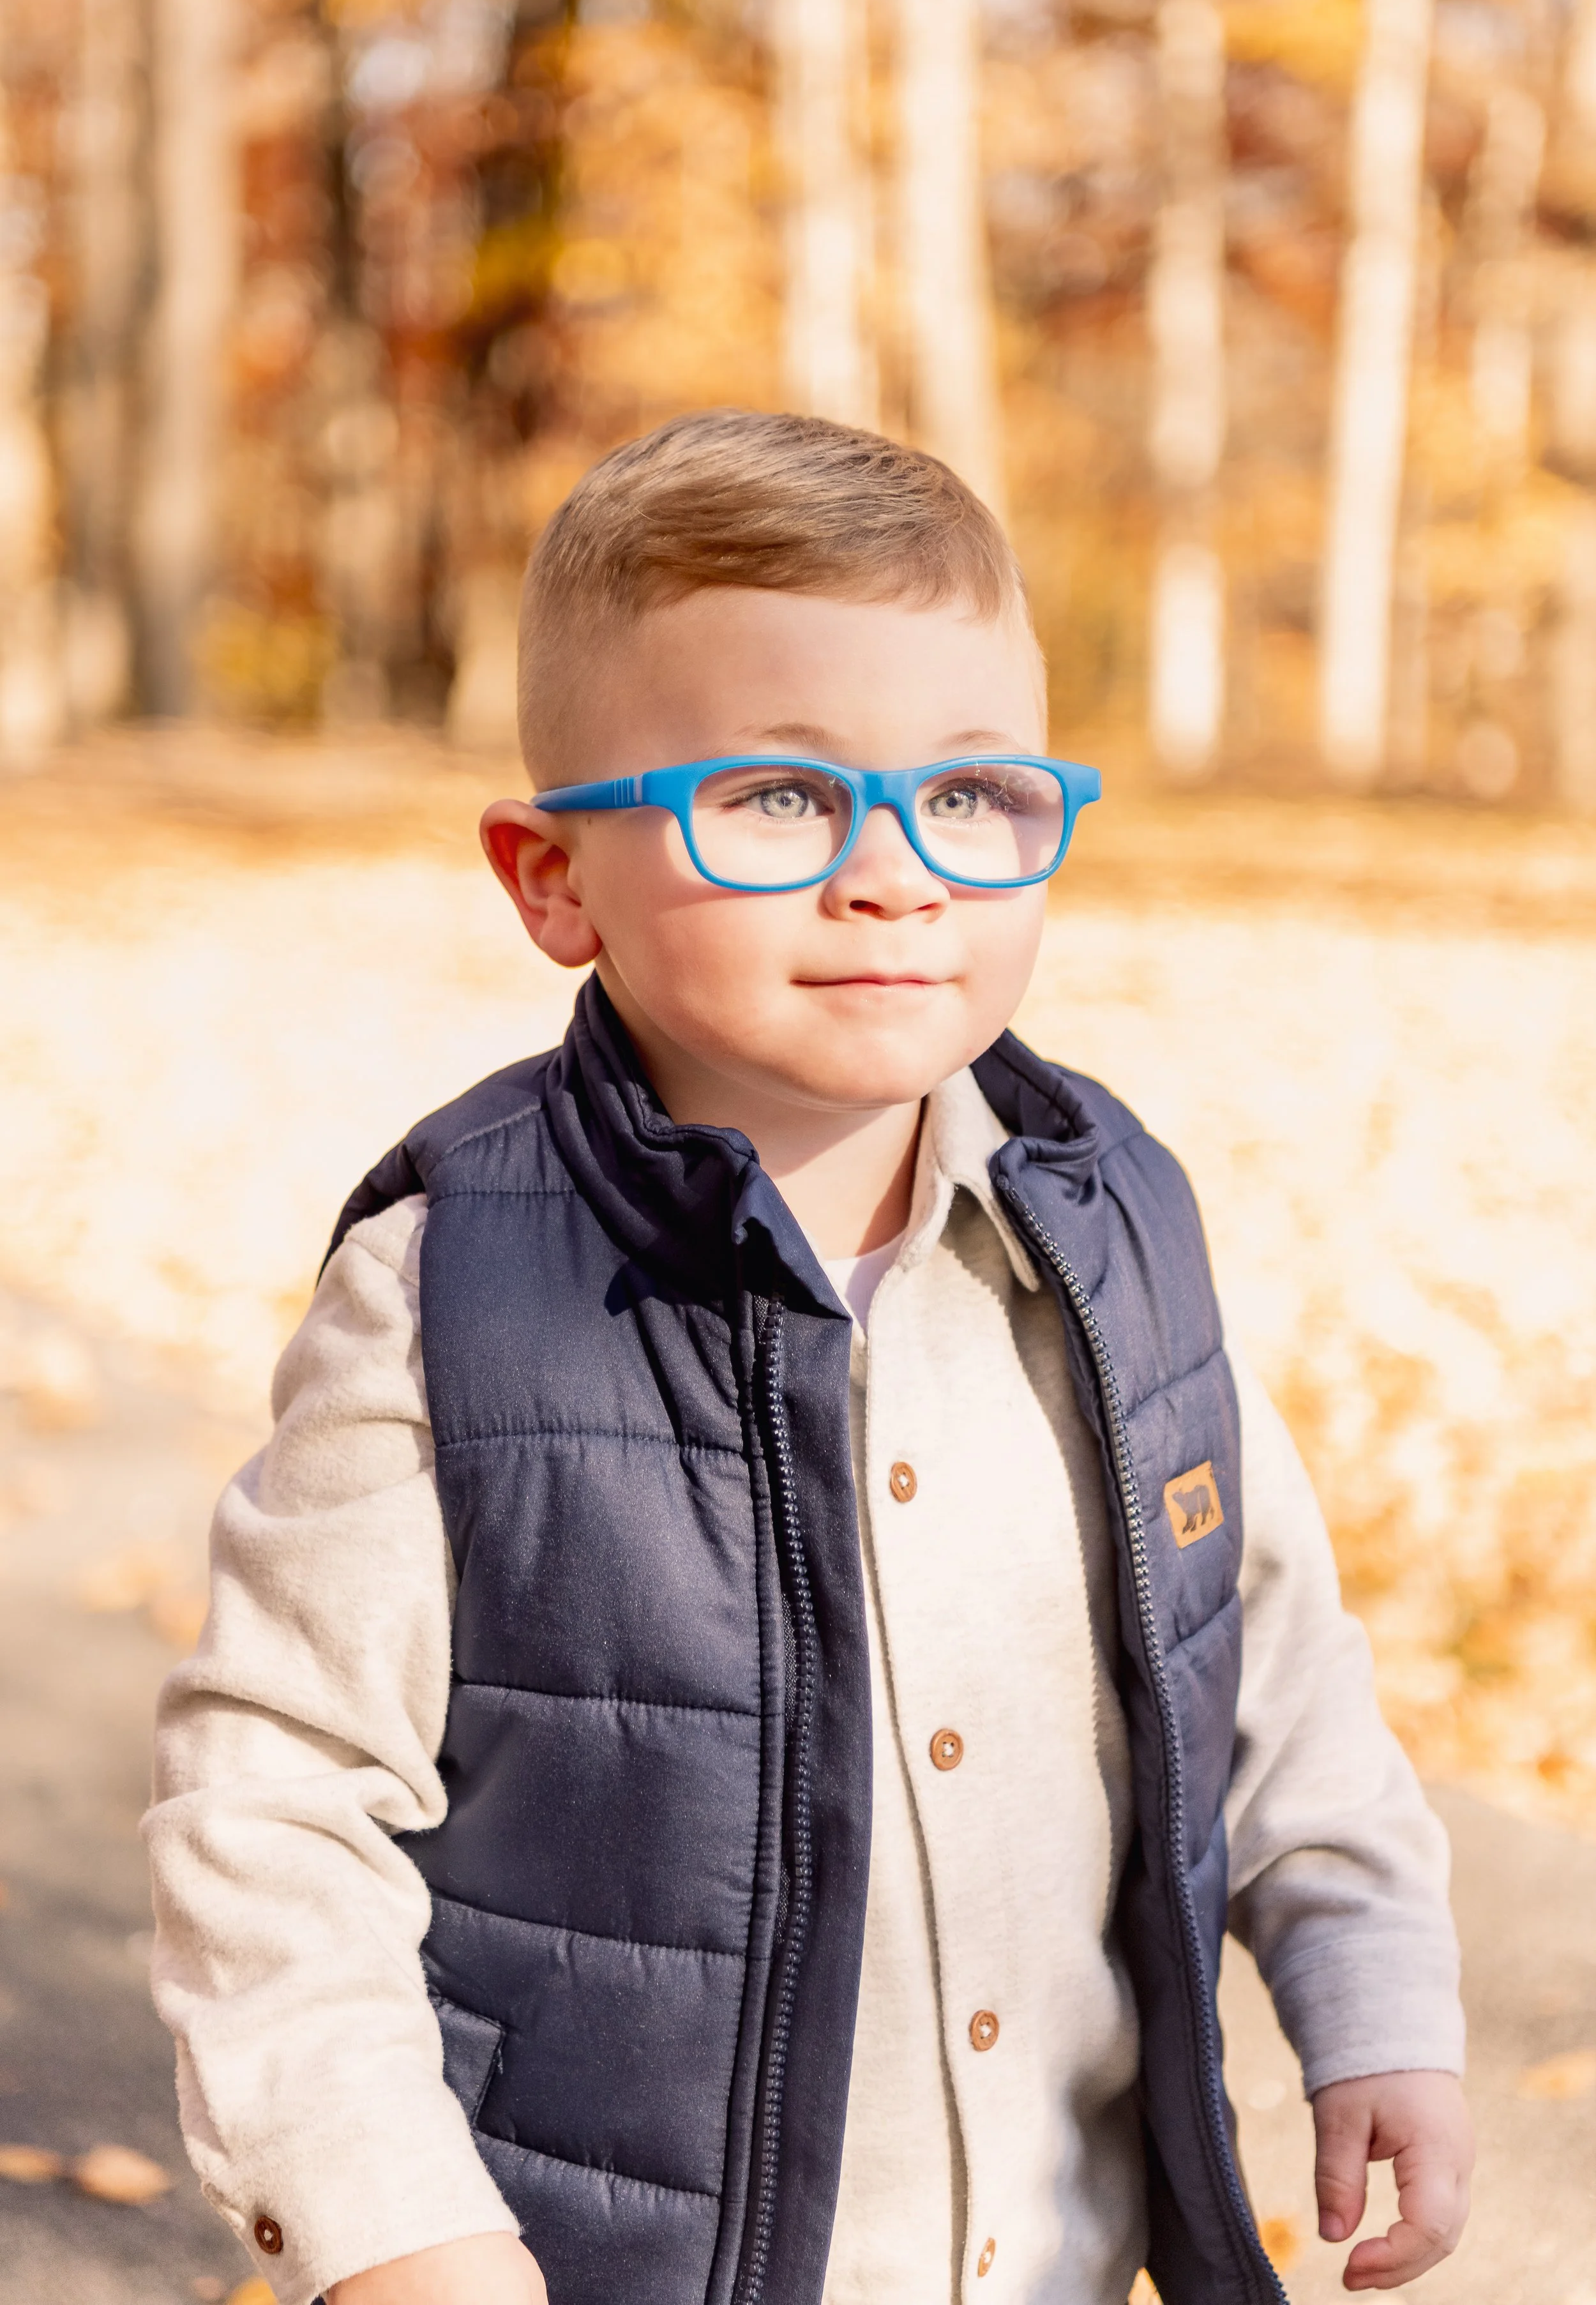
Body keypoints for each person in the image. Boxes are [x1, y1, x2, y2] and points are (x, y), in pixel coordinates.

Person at [146, 411, 1472, 2305]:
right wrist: (397, 2232)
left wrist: (1373, 1995)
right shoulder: (455, 1291)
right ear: (551, 878)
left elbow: (1260, 1658)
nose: (893, 875)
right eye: (774, 796)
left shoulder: (1115, 1239)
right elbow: (273, 1805)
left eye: (968, 793)